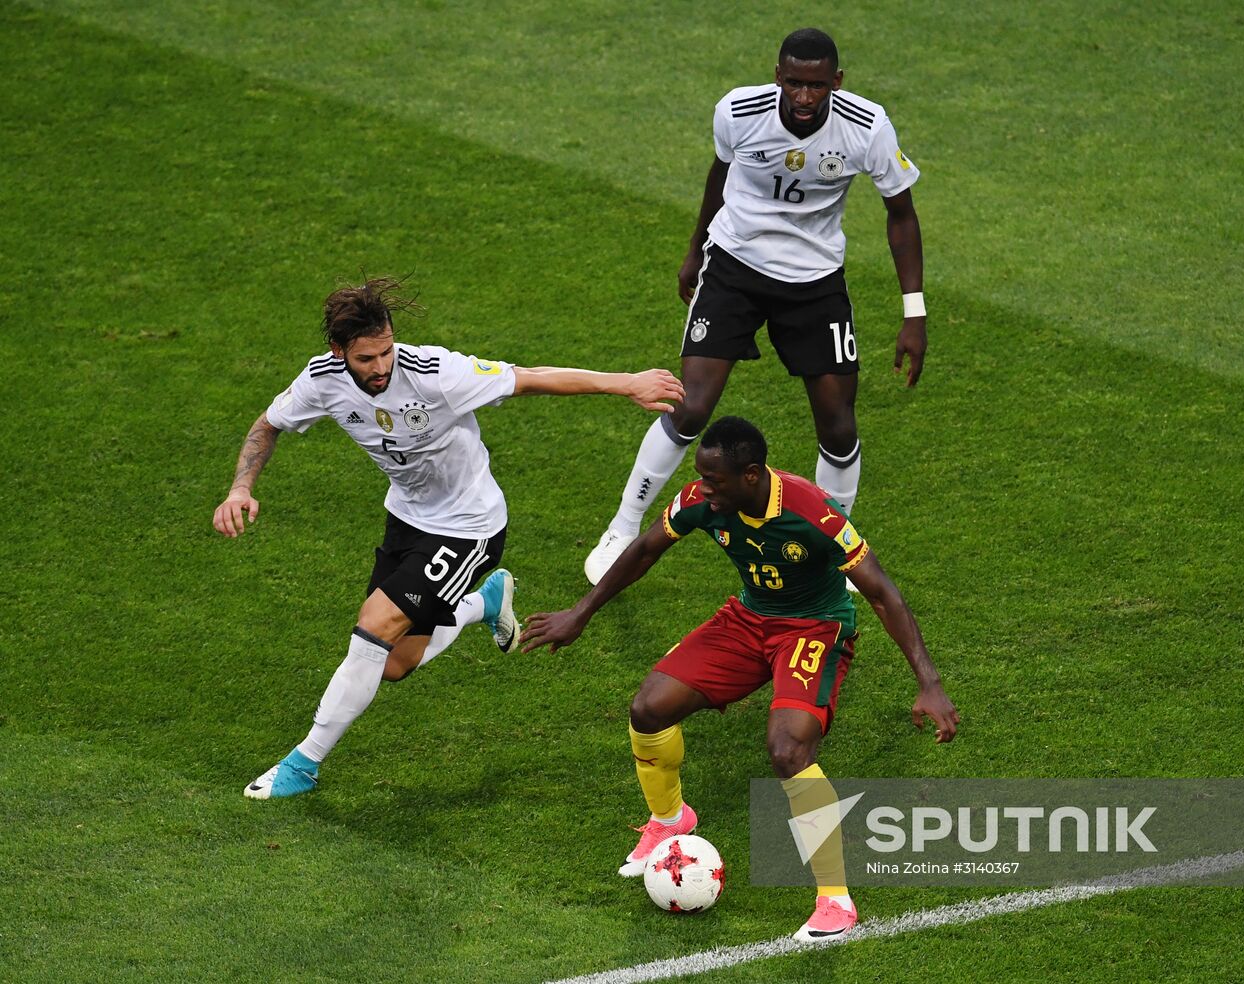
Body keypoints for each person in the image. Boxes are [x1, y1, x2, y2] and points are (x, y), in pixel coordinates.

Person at [213, 276, 683, 799]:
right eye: (366, 358)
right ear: (339, 352)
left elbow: (529, 378)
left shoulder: (435, 372)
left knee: (373, 628)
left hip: (468, 527)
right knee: (393, 663)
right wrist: (240, 488)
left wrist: (627, 382)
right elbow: (268, 424)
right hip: (406, 519)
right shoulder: (321, 380)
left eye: (387, 351)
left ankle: (303, 764)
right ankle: (483, 604)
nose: (381, 366)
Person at [523, 416, 958, 941]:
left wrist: (929, 682)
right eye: (701, 477)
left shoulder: (813, 512)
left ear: (751, 475)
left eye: (714, 480)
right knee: (648, 708)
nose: (702, 489)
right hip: (749, 620)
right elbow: (644, 549)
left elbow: (883, 593)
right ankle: (670, 819)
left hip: (815, 628)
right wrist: (581, 612)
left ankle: (836, 901)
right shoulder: (702, 502)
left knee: (788, 750)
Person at [585, 27, 927, 585]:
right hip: (734, 268)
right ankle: (622, 528)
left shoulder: (867, 127)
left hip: (815, 280)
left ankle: (831, 552)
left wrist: (914, 312)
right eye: (793, 83)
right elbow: (719, 175)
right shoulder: (738, 112)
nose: (804, 96)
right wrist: (696, 249)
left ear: (837, 82)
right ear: (777, 76)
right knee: (690, 405)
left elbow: (902, 214)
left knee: (838, 425)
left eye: (817, 86)